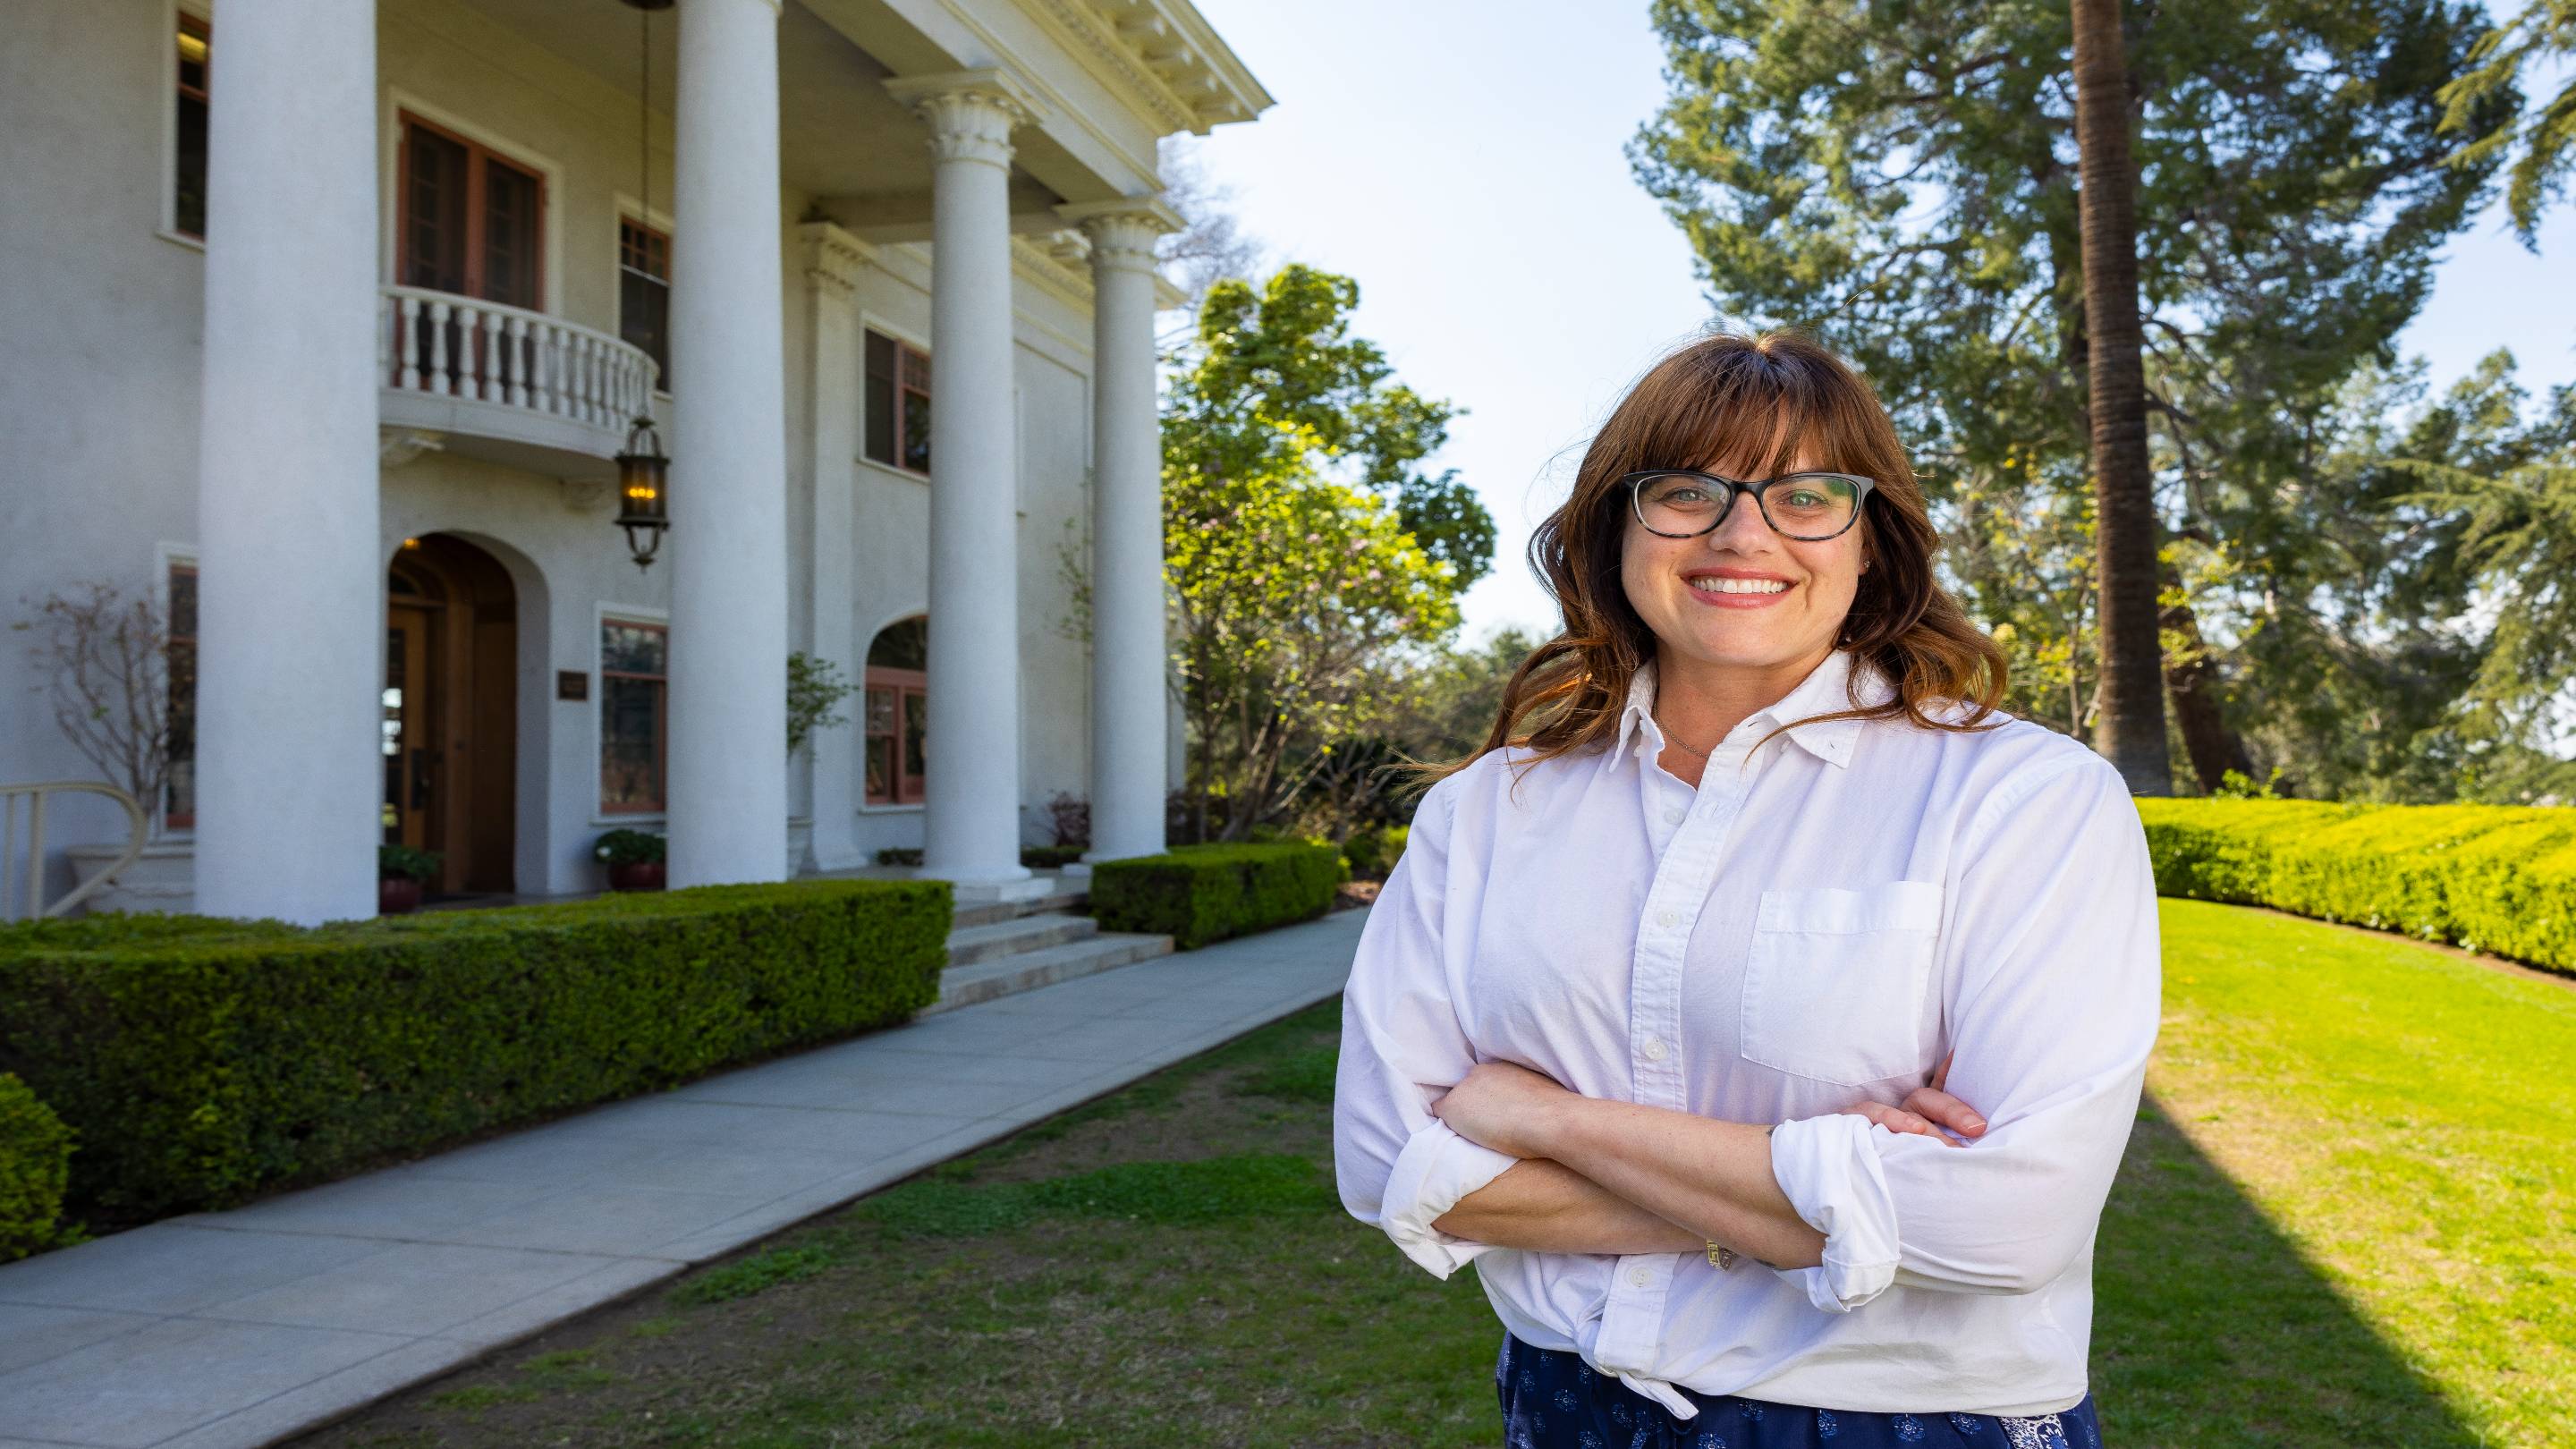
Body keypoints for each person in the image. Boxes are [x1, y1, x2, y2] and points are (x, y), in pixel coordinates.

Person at [1331, 328, 2160, 1449]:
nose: (1742, 534)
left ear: (1872, 541)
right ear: (1616, 528)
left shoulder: (2023, 800)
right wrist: (1827, 1192)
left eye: (1806, 495)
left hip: (1903, 1422)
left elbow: (2013, 1222)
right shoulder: (1484, 813)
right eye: (1687, 491)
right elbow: (1389, 1166)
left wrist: (1540, 1119)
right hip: (1566, 1405)